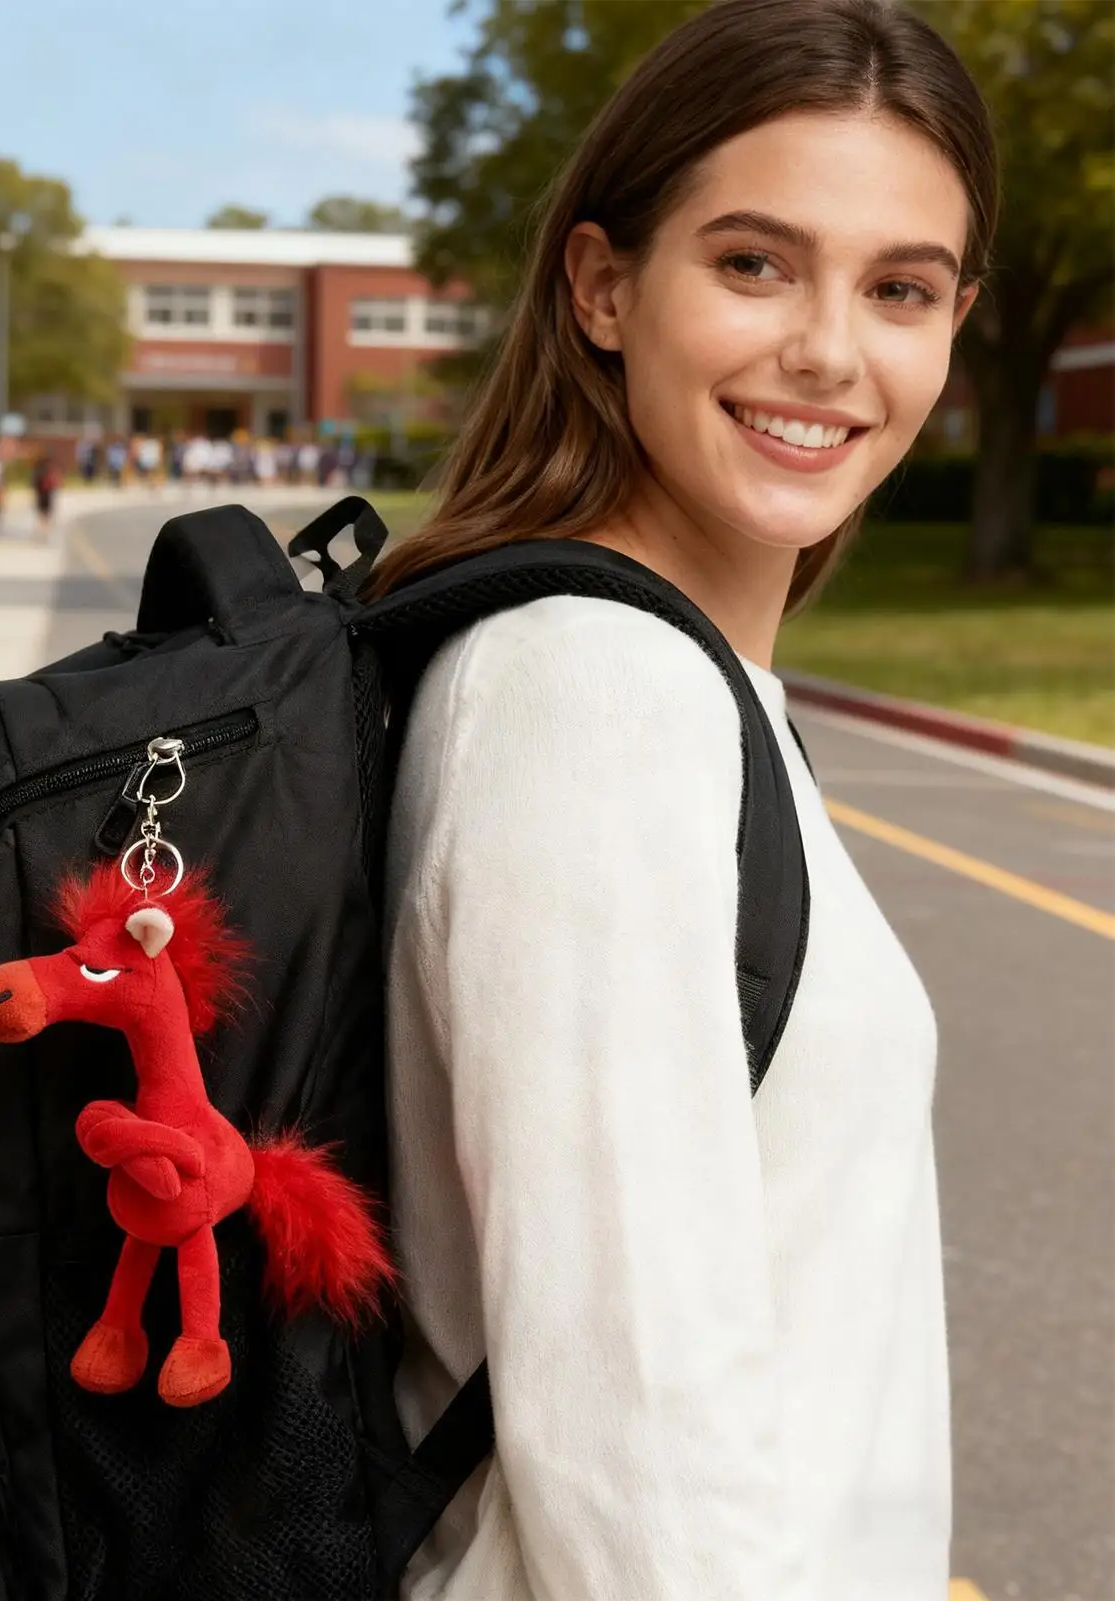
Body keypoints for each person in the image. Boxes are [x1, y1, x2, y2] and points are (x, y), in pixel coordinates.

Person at [369, 1, 994, 1596]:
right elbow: (631, 1427)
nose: (829, 351)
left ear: (954, 322)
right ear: (601, 287)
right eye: (755, 264)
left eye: (900, 289)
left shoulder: (684, 686)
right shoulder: (595, 691)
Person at [31, 449, 60, 535]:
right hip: (42, 490)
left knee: (45, 506)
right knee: (44, 506)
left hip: (45, 490)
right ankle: (44, 523)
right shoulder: (41, 468)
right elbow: (35, 479)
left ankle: (45, 523)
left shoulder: (46, 468)